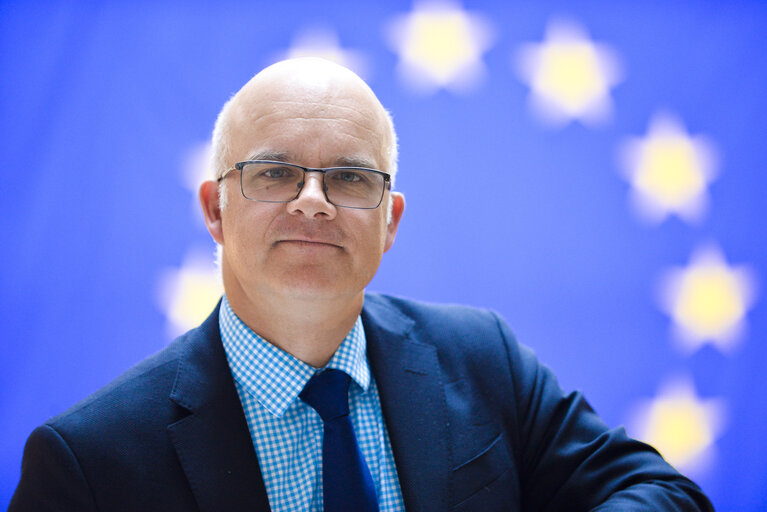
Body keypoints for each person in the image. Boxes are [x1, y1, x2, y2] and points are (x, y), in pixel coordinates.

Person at [10, 58, 713, 511]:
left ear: (390, 221)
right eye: (274, 172)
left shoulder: (481, 358)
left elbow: (659, 494)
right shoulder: (87, 464)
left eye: (349, 177)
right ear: (213, 208)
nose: (312, 200)